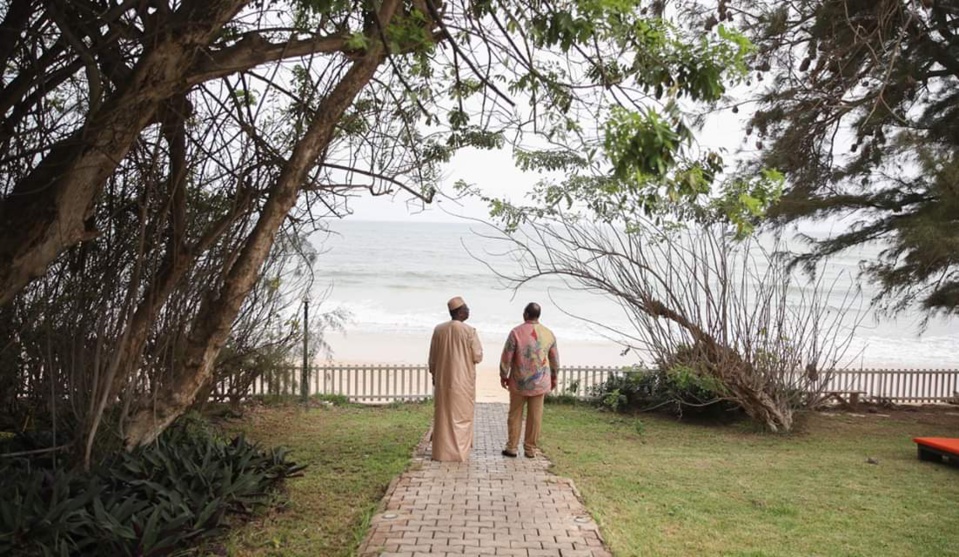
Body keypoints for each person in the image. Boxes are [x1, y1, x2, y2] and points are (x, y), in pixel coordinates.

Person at [499, 302, 559, 458]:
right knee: (535, 417)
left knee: (515, 414)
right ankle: (530, 449)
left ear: (525, 314)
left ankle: (512, 447)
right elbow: (554, 360)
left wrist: (503, 375)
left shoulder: (515, 333)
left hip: (519, 382)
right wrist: (554, 377)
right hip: (540, 383)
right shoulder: (549, 334)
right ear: (538, 315)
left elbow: (507, 356)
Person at [428, 296, 483, 462]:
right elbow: (478, 356)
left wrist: (434, 375)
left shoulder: (439, 329)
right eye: (466, 308)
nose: (468, 310)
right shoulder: (469, 331)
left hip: (444, 380)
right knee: (462, 417)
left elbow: (432, 357)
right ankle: (459, 453)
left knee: (443, 417)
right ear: (459, 312)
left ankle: (441, 453)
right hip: (463, 381)